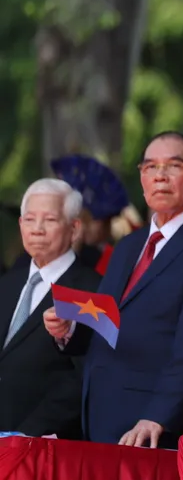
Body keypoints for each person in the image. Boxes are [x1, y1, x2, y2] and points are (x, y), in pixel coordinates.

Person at [43, 131, 183, 449]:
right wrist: (69, 330)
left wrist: (157, 417)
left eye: (173, 166)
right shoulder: (128, 245)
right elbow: (108, 319)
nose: (159, 176)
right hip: (101, 417)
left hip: (158, 430)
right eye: (150, 167)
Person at [0, 179, 101, 438]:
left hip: (43, 441)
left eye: (50, 220)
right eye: (29, 219)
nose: (37, 229)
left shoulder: (92, 290)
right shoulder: (7, 283)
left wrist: (27, 434)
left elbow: (84, 375)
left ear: (74, 229)